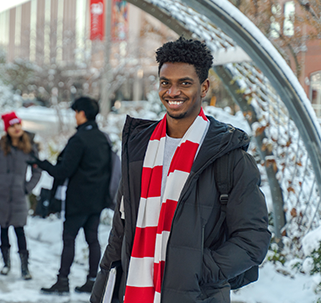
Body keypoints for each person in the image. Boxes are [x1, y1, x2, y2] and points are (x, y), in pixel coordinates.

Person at [90, 37, 271, 303]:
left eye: (184, 83)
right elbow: (120, 232)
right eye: (166, 82)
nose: (173, 92)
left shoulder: (229, 158)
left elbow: (253, 239)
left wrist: (198, 270)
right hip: (132, 293)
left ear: (204, 87)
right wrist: (100, 293)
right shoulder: (139, 147)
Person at [31, 97, 112, 295]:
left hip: (78, 200)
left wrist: (42, 164)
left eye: (76, 112)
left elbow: (63, 171)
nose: (75, 116)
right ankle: (94, 281)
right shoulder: (103, 138)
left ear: (82, 113)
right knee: (92, 239)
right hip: (98, 199)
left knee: (69, 238)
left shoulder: (79, 139)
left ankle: (62, 281)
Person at [0, 111, 42, 280]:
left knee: (20, 230)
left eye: (18, 124)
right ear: (7, 128)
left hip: (19, 196)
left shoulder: (29, 147)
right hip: (0, 195)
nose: (16, 128)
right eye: (12, 126)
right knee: (3, 229)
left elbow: (37, 170)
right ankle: (6, 264)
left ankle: (25, 267)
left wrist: (27, 188)